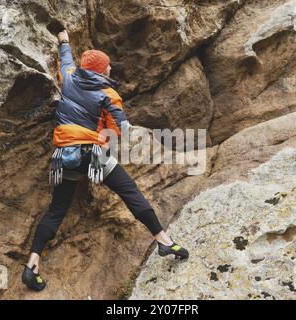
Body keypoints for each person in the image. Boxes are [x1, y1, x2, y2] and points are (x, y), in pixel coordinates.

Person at [22, 29, 189, 291]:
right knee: (129, 191)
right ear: (101, 71)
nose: (110, 69)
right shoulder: (108, 94)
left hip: (63, 155)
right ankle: (164, 240)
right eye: (108, 67)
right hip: (90, 154)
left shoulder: (68, 77)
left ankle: (32, 264)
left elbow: (65, 59)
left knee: (57, 209)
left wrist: (64, 41)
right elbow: (120, 130)